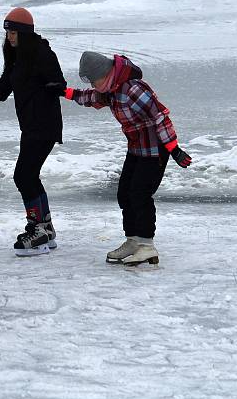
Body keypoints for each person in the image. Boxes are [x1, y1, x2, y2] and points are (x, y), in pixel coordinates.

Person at [58, 51, 192, 266]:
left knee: (140, 193)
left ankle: (147, 245)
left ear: (107, 72)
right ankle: (133, 241)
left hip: (156, 148)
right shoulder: (110, 89)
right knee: (125, 193)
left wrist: (174, 148)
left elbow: (160, 116)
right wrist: (64, 92)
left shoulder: (133, 89)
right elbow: (91, 97)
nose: (93, 84)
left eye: (94, 79)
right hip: (137, 148)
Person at [0, 8, 66, 257]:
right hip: (30, 126)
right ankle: (45, 227)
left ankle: (38, 230)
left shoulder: (42, 53)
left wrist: (50, 87)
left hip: (44, 125)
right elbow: (2, 90)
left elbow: (58, 82)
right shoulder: (16, 58)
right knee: (29, 176)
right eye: (7, 32)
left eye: (14, 32)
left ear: (25, 33)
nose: (9, 37)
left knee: (23, 176)